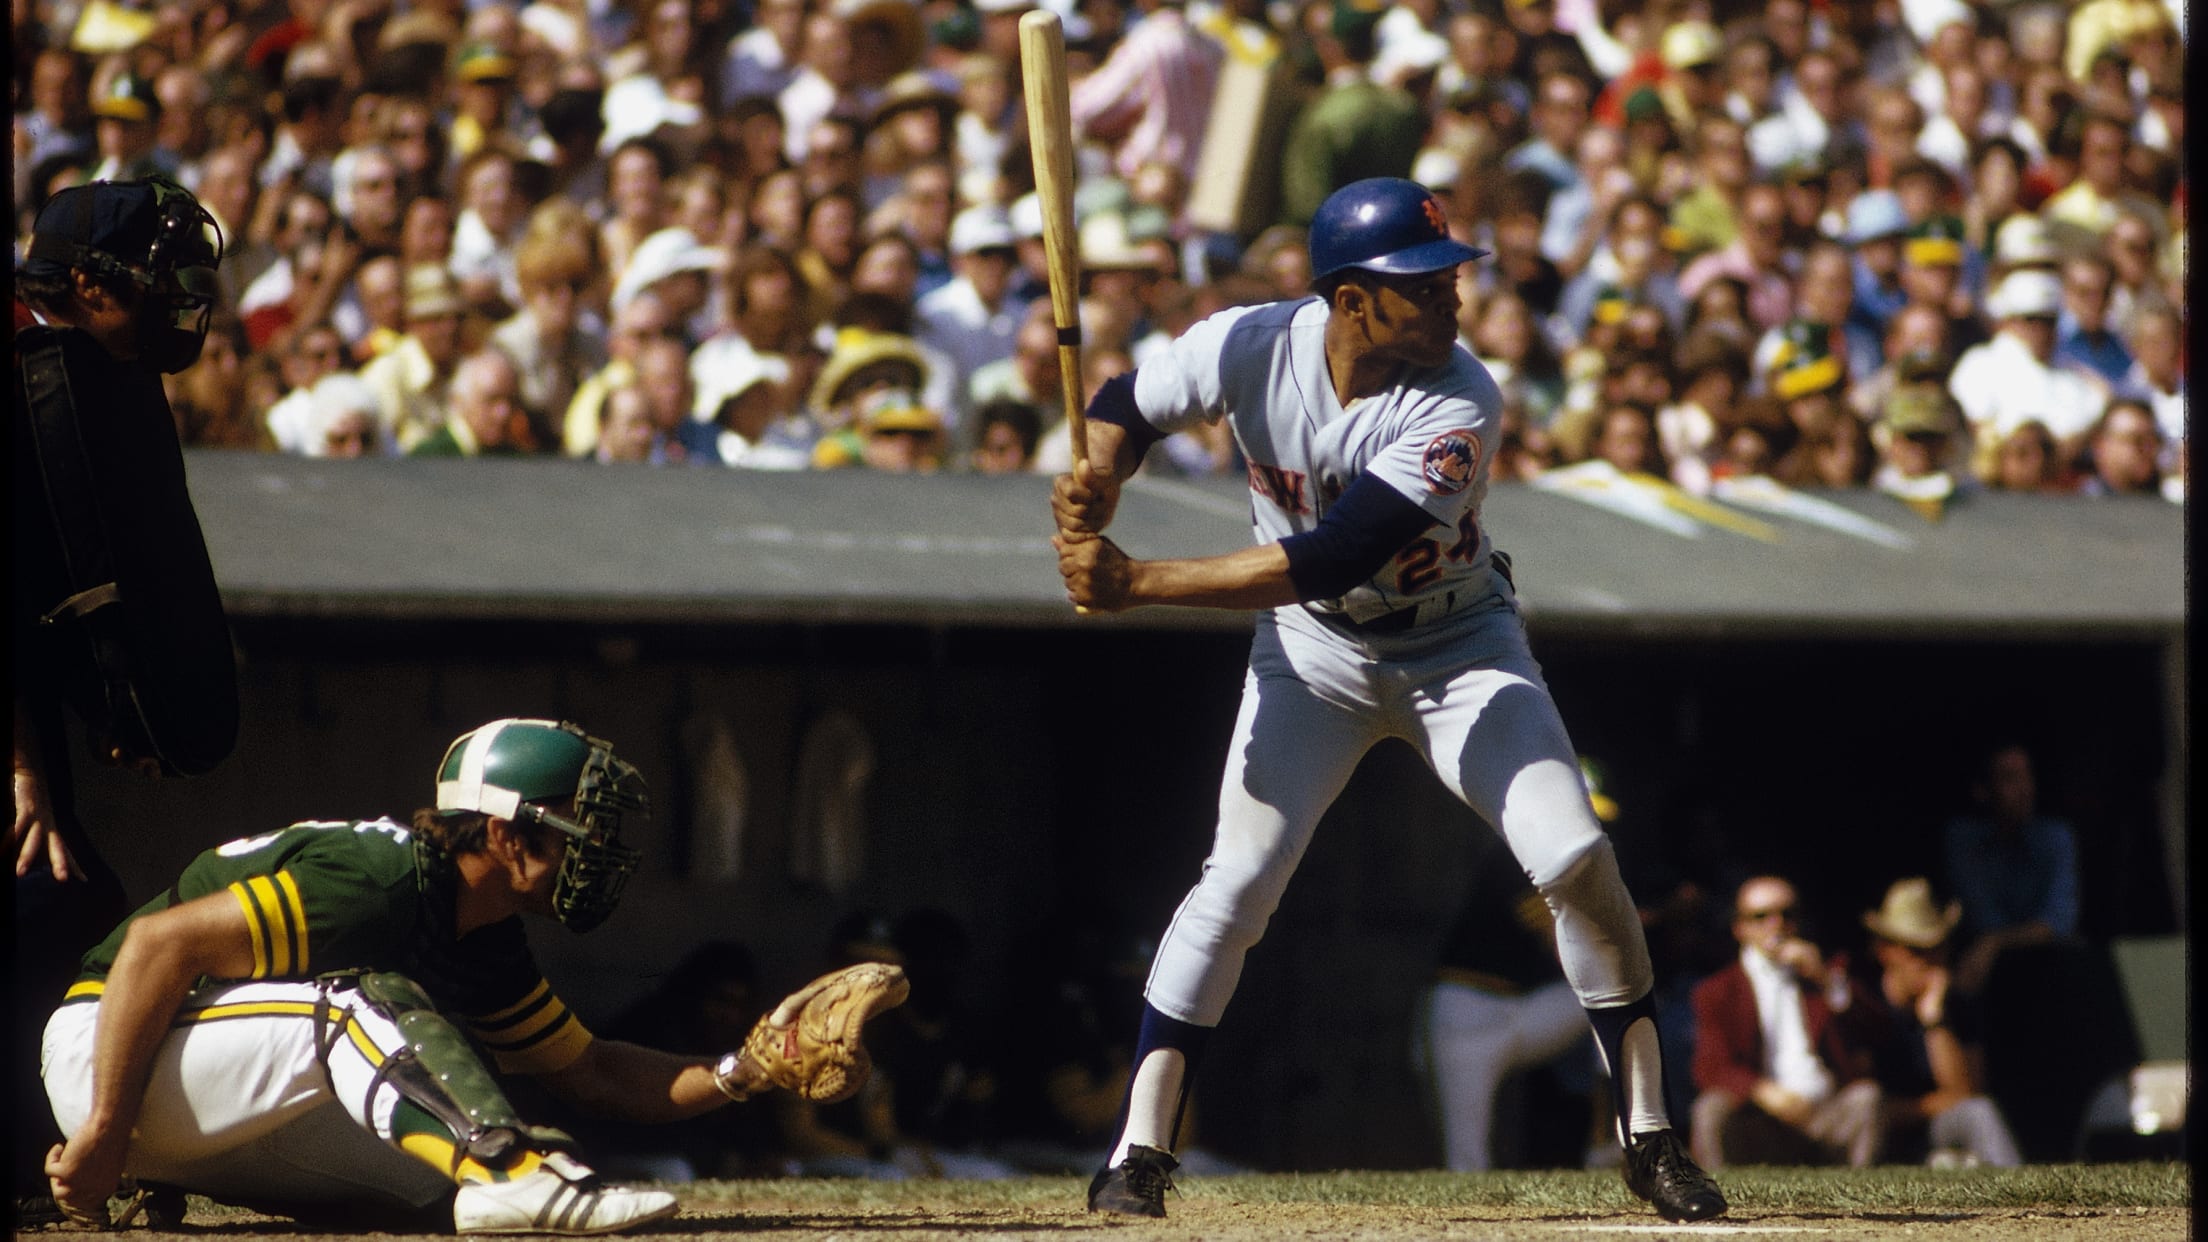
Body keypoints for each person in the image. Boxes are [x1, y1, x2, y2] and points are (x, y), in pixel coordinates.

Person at [1049, 177, 1724, 1223]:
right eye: (1424, 282)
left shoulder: (1462, 399)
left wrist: (1135, 583)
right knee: (1238, 883)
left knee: (1577, 856)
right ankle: (1139, 1151)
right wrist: (1096, 472)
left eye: (1451, 275)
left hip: (1457, 647)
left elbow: (1331, 556)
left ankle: (1648, 1135)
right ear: (1351, 298)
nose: (1453, 296)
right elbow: (1123, 407)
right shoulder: (1249, 343)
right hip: (1313, 658)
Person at [38, 718, 891, 1232]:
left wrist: (748, 1068)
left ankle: (497, 1177)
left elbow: (590, 1072)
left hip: (206, 1095)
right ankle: (511, 1168)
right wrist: (109, 1126)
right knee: (361, 1004)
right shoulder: (378, 876)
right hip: (111, 1046)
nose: (600, 856)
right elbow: (155, 946)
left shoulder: (483, 928)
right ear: (507, 834)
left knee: (433, 1196)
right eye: (579, 834)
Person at [14, 175, 241, 1216]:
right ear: (95, 290)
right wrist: (21, 768)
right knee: (46, 897)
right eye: (165, 284)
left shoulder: (87, 371)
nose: (185, 305)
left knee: (65, 902)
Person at [1689, 875, 1884, 1170]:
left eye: (1787, 914)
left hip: (1823, 1115)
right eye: (1761, 916)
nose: (1776, 924)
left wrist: (1825, 980)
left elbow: (1878, 1032)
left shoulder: (1823, 977)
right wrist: (1762, 1092)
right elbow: (1710, 1067)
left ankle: (1860, 1197)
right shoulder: (1718, 991)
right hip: (1758, 1120)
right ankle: (1714, 1197)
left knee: (1867, 1098)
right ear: (1740, 928)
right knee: (1709, 1109)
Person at [1856, 878, 2022, 1168]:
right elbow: (1865, 1105)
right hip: (1876, 1141)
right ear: (1884, 950)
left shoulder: (1957, 1004)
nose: (1928, 960)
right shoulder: (1864, 1004)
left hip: (1936, 1134)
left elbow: (1967, 1096)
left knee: (1979, 1113)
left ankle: (2026, 1202)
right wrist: (1930, 1105)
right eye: (1915, 949)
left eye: (1937, 947)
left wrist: (1935, 1020)